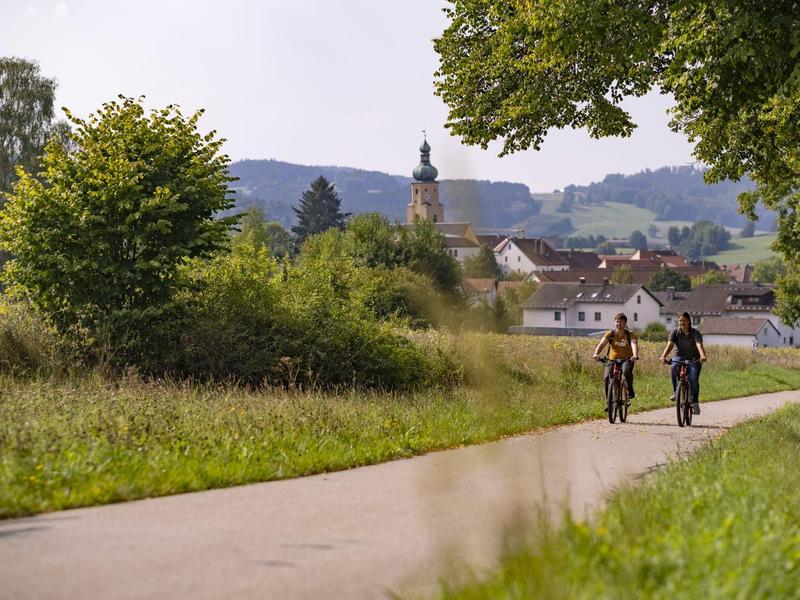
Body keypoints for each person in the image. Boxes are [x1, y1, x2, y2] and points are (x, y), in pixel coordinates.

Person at [659, 312, 708, 414]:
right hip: (679, 356)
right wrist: (663, 356)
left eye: (684, 320)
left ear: (689, 321)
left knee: (693, 378)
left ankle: (695, 403)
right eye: (680, 321)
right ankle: (675, 391)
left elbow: (699, 345)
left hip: (694, 358)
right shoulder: (675, 332)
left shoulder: (695, 333)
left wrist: (702, 356)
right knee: (673, 367)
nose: (682, 322)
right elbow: (670, 345)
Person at [592, 313, 639, 405]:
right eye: (617, 322)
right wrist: (596, 354)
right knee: (606, 378)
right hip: (612, 359)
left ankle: (630, 389)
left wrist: (635, 355)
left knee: (626, 371)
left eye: (621, 322)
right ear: (615, 322)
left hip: (627, 359)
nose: (619, 324)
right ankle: (608, 402)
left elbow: (634, 344)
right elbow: (601, 344)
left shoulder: (630, 334)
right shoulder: (611, 334)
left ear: (625, 323)